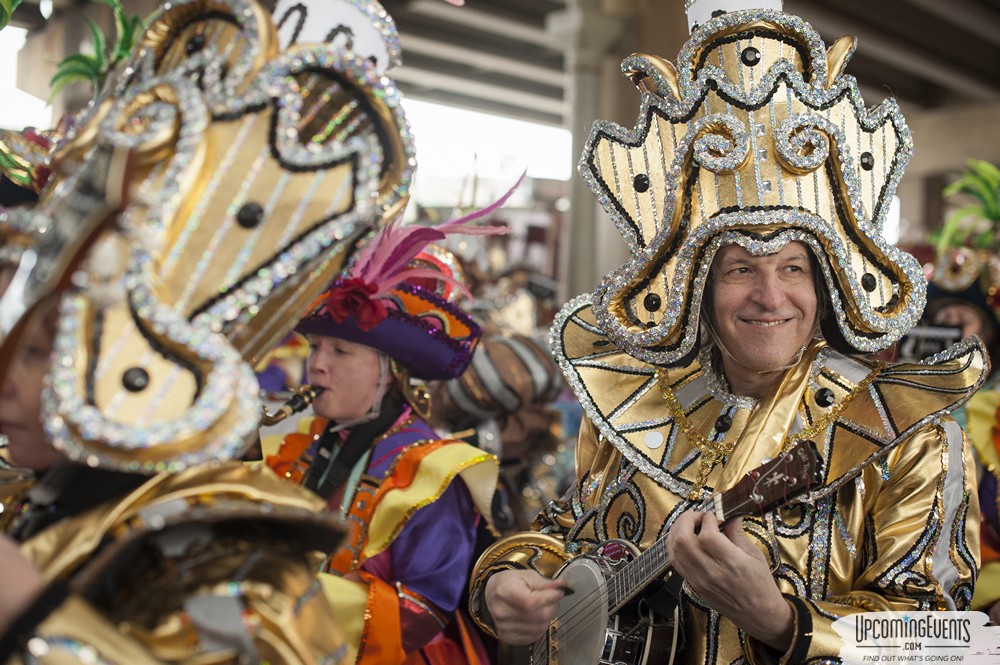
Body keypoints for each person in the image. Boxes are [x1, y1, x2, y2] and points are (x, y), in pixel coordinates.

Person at [469, 2, 984, 663]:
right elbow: (563, 531)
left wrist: (782, 620)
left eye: (793, 266)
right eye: (741, 267)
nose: (771, 295)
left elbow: (947, 639)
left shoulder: (910, 433)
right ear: (700, 286)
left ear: (825, 283)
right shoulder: (631, 406)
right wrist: (505, 578)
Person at [0, 0, 422, 661]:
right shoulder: (39, 493)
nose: (5, 380)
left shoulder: (234, 558)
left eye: (40, 348)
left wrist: (28, 609)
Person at [264, 213, 508, 664]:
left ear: (389, 374)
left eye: (340, 351)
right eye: (315, 346)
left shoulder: (433, 470)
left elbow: (421, 612)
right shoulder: (302, 442)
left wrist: (281, 607)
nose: (316, 364)